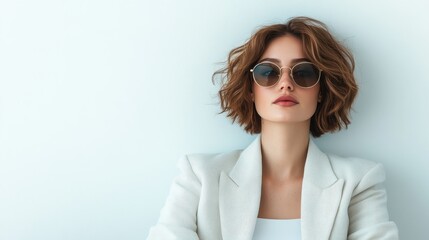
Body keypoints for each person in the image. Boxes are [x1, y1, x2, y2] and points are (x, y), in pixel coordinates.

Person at [147, 17, 399, 240]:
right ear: (250, 88)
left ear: (321, 90)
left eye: (304, 73)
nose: (286, 84)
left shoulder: (358, 181)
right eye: (268, 72)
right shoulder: (200, 176)